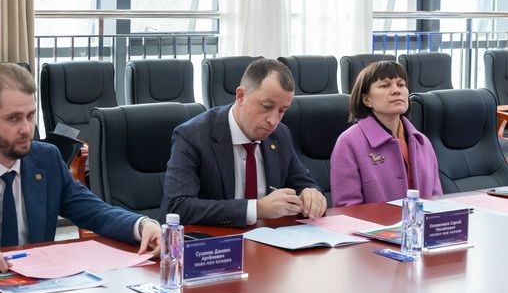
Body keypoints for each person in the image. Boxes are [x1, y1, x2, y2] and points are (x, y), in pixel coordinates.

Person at [0, 63, 162, 273]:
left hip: (36, 291)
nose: (27, 129)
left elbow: (94, 212)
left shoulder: (47, 159)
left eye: (31, 116)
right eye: (13, 118)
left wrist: (141, 225)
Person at [161, 58, 326, 227]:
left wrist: (312, 195)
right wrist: (256, 209)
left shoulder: (280, 135)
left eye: (282, 111)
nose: (273, 121)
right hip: (217, 240)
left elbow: (304, 183)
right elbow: (176, 207)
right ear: (240, 96)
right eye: (266, 106)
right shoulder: (193, 135)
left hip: (270, 238)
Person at [330, 60, 442, 206]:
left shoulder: (422, 142)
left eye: (401, 84)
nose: (396, 91)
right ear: (366, 99)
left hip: (421, 221)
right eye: (385, 85)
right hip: (371, 222)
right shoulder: (349, 142)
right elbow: (348, 209)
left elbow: (437, 201)